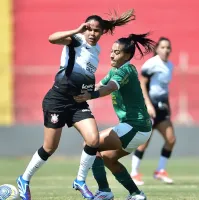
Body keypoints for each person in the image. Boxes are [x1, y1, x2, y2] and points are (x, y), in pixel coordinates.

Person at [16, 9, 135, 200]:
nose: (92, 33)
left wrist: (90, 92)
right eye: (89, 29)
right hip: (57, 100)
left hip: (78, 103)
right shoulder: (76, 40)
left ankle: (80, 180)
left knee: (93, 140)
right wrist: (76, 30)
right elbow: (51, 38)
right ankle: (24, 179)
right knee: (49, 148)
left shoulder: (97, 50)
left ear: (102, 32)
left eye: (97, 30)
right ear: (84, 29)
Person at [74, 33, 156, 200]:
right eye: (112, 51)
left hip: (135, 127)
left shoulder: (126, 70)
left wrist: (90, 95)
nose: (112, 54)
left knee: (91, 143)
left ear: (127, 55)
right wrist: (77, 90)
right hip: (138, 128)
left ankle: (104, 191)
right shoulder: (116, 70)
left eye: (117, 52)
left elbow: (110, 87)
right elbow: (100, 85)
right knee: (108, 159)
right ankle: (136, 194)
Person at [130, 37, 175, 186]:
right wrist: (148, 105)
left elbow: (164, 88)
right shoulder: (152, 64)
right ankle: (134, 173)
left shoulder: (170, 66)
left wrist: (168, 106)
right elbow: (142, 83)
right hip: (149, 107)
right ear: (157, 49)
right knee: (144, 142)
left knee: (171, 139)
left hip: (162, 108)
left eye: (168, 47)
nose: (166, 50)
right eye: (162, 47)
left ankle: (160, 170)